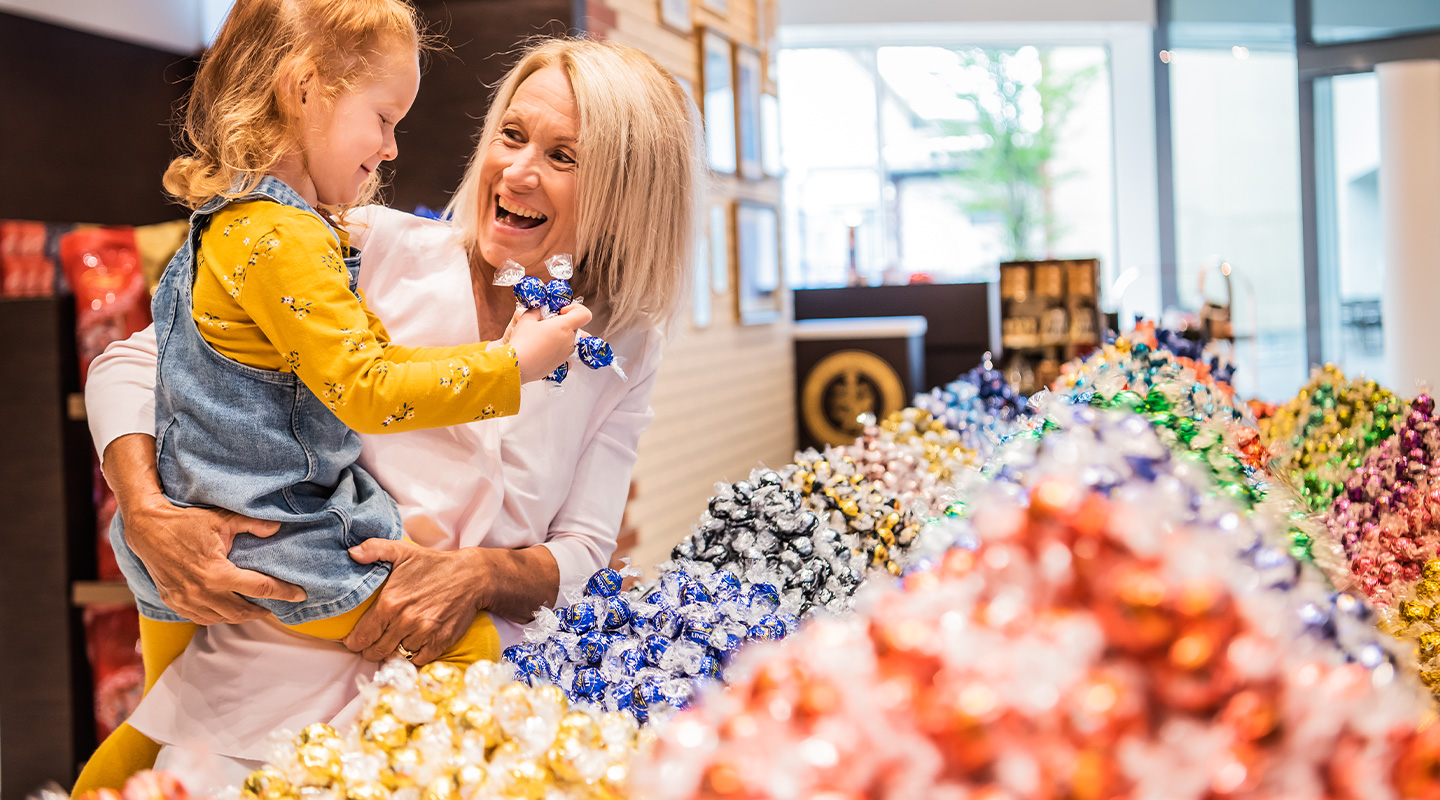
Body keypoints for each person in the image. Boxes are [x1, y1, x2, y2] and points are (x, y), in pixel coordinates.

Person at [76, 34, 698, 794]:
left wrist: (477, 576)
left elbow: (583, 548)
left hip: (463, 727)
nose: (518, 171)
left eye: (564, 157)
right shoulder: (362, 246)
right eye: (511, 135)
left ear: (630, 190)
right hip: (259, 693)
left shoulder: (626, 339)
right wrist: (143, 507)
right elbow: (136, 363)